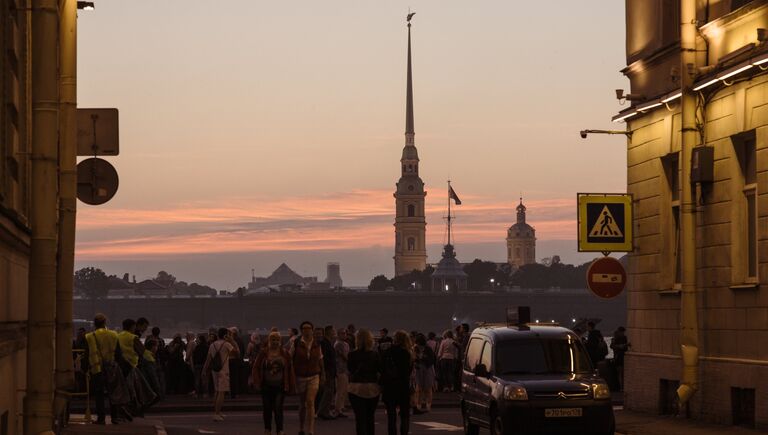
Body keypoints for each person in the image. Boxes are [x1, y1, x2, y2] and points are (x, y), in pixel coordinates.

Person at [252, 331, 295, 435]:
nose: (275, 342)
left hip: (280, 386)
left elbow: (290, 370)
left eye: (277, 340)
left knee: (278, 408)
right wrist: (257, 382)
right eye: (273, 340)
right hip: (266, 386)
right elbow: (256, 368)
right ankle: (267, 429)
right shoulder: (263, 353)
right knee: (267, 408)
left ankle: (280, 429)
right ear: (269, 341)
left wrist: (291, 385)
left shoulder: (285, 353)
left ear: (280, 341)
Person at [86, 314, 122, 424]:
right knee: (113, 393)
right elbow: (118, 353)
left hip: (97, 369)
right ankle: (114, 418)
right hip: (111, 368)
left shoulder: (90, 336)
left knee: (99, 395)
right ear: (105, 323)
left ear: (94, 324)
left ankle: (101, 419)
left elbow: (88, 354)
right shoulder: (114, 334)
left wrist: (86, 368)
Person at [291, 321, 324, 435]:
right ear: (301, 330)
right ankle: (301, 427)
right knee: (302, 403)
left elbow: (320, 359)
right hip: (300, 376)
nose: (307, 330)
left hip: (314, 375)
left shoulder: (317, 344)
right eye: (304, 328)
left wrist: (323, 374)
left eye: (309, 328)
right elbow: (290, 359)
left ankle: (310, 429)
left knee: (310, 401)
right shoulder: (296, 343)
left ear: (312, 330)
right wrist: (292, 375)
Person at [347, 329, 381, 435]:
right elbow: (379, 370)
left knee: (360, 418)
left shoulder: (352, 354)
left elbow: (350, 370)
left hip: (356, 387)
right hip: (372, 387)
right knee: (370, 417)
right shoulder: (375, 355)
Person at [203, 327, 240, 422]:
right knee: (221, 392)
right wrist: (232, 341)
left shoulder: (212, 345)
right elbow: (237, 353)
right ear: (225, 335)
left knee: (216, 391)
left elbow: (208, 359)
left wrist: (204, 370)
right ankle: (216, 413)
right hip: (223, 370)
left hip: (214, 370)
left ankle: (217, 412)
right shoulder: (227, 344)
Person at [380, 330, 414, 435]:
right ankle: (404, 432)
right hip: (403, 386)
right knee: (404, 414)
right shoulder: (408, 353)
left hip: (389, 386)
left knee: (391, 415)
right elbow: (408, 371)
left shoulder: (387, 352)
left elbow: (382, 369)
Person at [317, 325, 338, 420]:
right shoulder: (325, 343)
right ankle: (323, 411)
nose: (335, 332)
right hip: (328, 371)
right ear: (330, 332)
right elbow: (325, 359)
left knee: (329, 391)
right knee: (328, 391)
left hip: (330, 371)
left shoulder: (327, 343)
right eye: (334, 330)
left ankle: (323, 411)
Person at [412, 334, 435, 413]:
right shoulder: (415, 349)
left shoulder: (428, 349)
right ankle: (418, 404)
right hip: (418, 369)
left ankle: (428, 405)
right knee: (418, 388)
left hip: (427, 368)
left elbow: (432, 360)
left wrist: (423, 358)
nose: (418, 346)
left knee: (428, 387)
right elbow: (413, 359)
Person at [334, 328, 351, 418]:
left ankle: (341, 407)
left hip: (344, 369)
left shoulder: (345, 344)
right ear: (338, 334)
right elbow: (344, 356)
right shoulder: (338, 344)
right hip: (340, 369)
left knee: (344, 390)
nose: (344, 335)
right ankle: (338, 409)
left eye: (345, 333)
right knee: (340, 390)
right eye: (342, 333)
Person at [610, 327, 630, 391]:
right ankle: (622, 387)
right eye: (622, 332)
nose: (622, 333)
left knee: (620, 373)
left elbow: (612, 346)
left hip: (619, 358)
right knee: (621, 373)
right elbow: (612, 346)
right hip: (620, 358)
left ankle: (622, 387)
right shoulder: (621, 338)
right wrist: (622, 346)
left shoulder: (619, 338)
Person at [192, 334, 208, 398]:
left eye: (198, 339)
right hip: (204, 364)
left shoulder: (197, 347)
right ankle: (205, 393)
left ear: (200, 340)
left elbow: (194, 356)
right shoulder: (207, 347)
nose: (196, 340)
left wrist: (193, 364)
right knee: (204, 379)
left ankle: (197, 393)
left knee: (197, 380)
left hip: (197, 365)